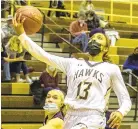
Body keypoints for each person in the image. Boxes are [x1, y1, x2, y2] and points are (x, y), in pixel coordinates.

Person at [13, 13, 131, 129]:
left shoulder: (111, 68)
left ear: (105, 48)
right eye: (92, 38)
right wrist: (22, 35)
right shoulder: (73, 63)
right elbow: (43, 55)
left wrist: (121, 112)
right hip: (70, 115)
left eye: (99, 38)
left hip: (93, 117)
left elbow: (125, 98)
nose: (93, 40)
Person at [1, 15, 16, 82]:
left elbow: (18, 35)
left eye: (11, 20)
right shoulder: (4, 27)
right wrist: (13, 35)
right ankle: (7, 77)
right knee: (7, 61)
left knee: (14, 61)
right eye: (9, 20)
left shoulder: (15, 27)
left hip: (13, 47)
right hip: (5, 46)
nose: (10, 21)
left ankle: (11, 76)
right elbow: (5, 35)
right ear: (7, 21)